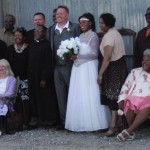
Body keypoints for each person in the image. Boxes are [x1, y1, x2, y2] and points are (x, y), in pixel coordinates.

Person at [65, 13, 111, 132]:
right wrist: (72, 55)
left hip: (89, 67)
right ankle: (81, 122)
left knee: (90, 93)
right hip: (78, 68)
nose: (82, 25)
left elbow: (94, 54)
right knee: (79, 93)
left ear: (90, 22)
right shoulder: (79, 36)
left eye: (84, 22)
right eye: (80, 23)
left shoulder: (93, 36)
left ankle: (95, 123)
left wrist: (78, 56)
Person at [46, 5, 81, 129]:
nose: (58, 16)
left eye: (61, 14)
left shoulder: (75, 27)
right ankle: (64, 122)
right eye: (57, 14)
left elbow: (81, 45)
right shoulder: (51, 30)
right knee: (60, 95)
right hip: (56, 67)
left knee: (74, 94)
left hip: (71, 66)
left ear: (67, 15)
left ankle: (75, 121)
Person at [98, 13, 128, 136]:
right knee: (117, 96)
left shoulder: (109, 36)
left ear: (107, 24)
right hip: (120, 66)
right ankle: (119, 123)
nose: (100, 25)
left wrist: (100, 73)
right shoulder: (115, 33)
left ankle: (113, 126)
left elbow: (107, 57)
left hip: (113, 68)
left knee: (113, 97)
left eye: (101, 23)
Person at [28, 25, 58, 128]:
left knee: (45, 99)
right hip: (32, 76)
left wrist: (44, 78)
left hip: (42, 78)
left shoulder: (46, 45)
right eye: (35, 31)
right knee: (34, 98)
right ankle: (37, 119)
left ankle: (48, 120)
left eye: (40, 31)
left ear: (44, 33)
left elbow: (48, 63)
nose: (37, 33)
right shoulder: (31, 45)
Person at [117, 49, 150, 141]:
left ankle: (128, 131)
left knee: (147, 105)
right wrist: (121, 99)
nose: (144, 62)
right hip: (134, 98)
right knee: (129, 101)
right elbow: (126, 86)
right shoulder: (135, 71)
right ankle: (130, 132)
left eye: (148, 60)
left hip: (148, 99)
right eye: (143, 60)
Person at [6, 27, 30, 130]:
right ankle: (15, 122)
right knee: (14, 100)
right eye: (15, 36)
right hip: (13, 79)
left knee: (25, 101)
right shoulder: (10, 48)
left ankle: (26, 122)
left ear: (24, 37)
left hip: (26, 79)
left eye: (19, 35)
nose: (17, 37)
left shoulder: (29, 48)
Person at [0, 59, 16, 135]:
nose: (1, 68)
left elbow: (11, 92)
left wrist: (1, 96)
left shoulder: (11, 79)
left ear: (7, 68)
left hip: (5, 101)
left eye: (3, 66)